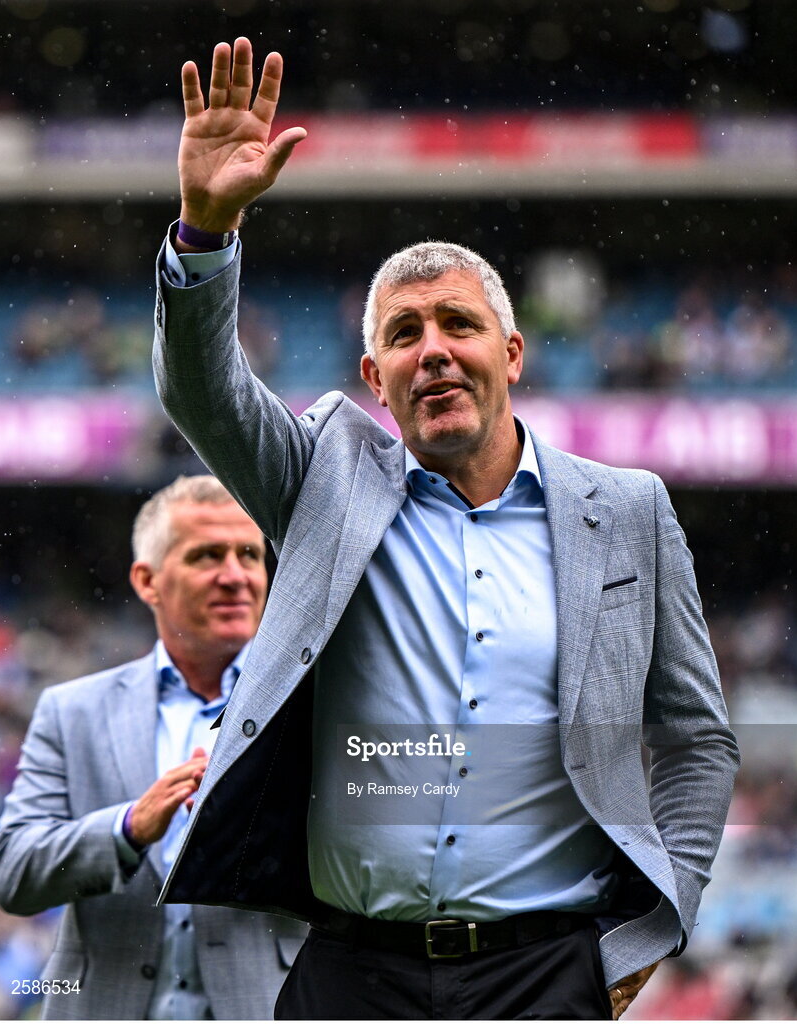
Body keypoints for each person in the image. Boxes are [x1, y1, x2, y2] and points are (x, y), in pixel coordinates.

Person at [151, 39, 740, 1021]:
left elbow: (697, 740)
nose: (435, 352)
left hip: (547, 972)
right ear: (374, 381)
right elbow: (204, 395)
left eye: (457, 325)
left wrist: (657, 919)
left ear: (510, 351)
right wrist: (206, 231)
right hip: (350, 971)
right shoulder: (323, 477)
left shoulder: (628, 511)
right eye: (404, 334)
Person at [0, 475, 305, 1020]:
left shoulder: (308, 705)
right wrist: (128, 827)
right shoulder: (73, 711)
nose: (235, 575)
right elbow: (13, 874)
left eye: (249, 554)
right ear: (148, 580)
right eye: (207, 555)